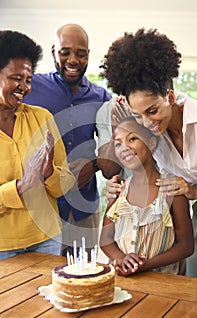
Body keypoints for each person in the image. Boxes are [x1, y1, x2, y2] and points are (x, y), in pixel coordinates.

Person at [99, 28, 197, 277]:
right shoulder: (151, 133)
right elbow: (124, 154)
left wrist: (192, 190)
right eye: (139, 115)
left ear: (171, 96)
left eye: (152, 111)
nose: (148, 123)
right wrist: (117, 126)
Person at [24, 23, 111, 256]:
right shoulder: (31, 87)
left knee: (86, 276)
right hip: (43, 208)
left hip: (84, 208)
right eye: (66, 52)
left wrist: (92, 165)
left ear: (88, 56)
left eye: (80, 54)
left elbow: (114, 148)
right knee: (42, 280)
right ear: (54, 51)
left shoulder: (101, 96)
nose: (73, 59)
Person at [0, 30, 75, 261]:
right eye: (16, 78)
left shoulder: (42, 118)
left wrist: (49, 172)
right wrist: (22, 186)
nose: (24, 86)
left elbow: (66, 182)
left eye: (28, 80)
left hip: (47, 238)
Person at [100, 117, 194, 275]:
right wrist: (121, 259)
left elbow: (186, 245)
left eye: (132, 139)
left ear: (151, 143)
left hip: (163, 285)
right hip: (121, 281)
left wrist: (144, 265)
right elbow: (105, 239)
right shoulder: (119, 190)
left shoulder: (171, 190)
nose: (124, 147)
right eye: (118, 143)